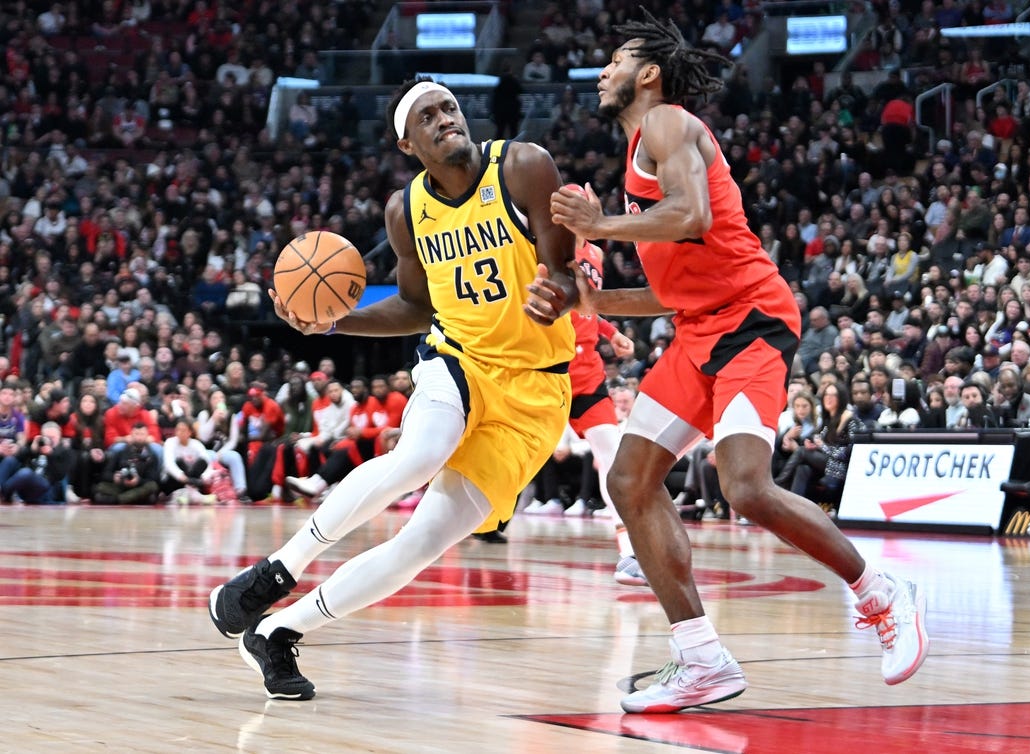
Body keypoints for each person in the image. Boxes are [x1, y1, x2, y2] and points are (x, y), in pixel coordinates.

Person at [546, 12, 928, 714]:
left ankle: (879, 591)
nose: (602, 71)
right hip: (696, 331)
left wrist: (598, 226)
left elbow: (690, 215)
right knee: (629, 480)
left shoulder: (664, 123)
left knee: (745, 487)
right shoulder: (637, 153)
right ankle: (700, 661)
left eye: (614, 60)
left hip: (750, 319)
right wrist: (580, 299)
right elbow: (665, 291)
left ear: (648, 73)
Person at [209, 77, 578, 701]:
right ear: (407, 143)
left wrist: (561, 290)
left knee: (421, 545)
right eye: (427, 116)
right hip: (456, 357)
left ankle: (277, 632)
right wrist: (333, 321)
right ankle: (277, 571)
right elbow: (414, 307)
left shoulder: (522, 166)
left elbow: (564, 271)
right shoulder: (405, 210)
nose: (444, 120)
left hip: (537, 390)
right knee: (420, 453)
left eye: (450, 108)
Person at [525, 183, 645, 584]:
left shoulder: (594, 251)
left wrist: (611, 333)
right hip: (546, 372)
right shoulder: (541, 251)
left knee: (612, 459)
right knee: (510, 458)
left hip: (589, 374)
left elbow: (587, 308)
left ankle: (628, 553)